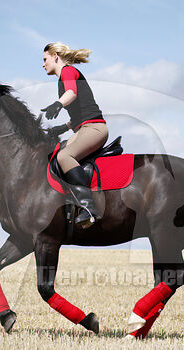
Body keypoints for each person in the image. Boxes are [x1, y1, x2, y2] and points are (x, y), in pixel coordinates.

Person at [41, 42, 108, 229]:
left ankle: (89, 208)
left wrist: (57, 104)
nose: (43, 64)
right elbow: (80, 112)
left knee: (65, 156)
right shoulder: (63, 76)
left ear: (55, 56)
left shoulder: (68, 72)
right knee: (57, 155)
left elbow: (72, 93)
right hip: (83, 128)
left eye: (45, 59)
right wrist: (62, 128)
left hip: (94, 129)